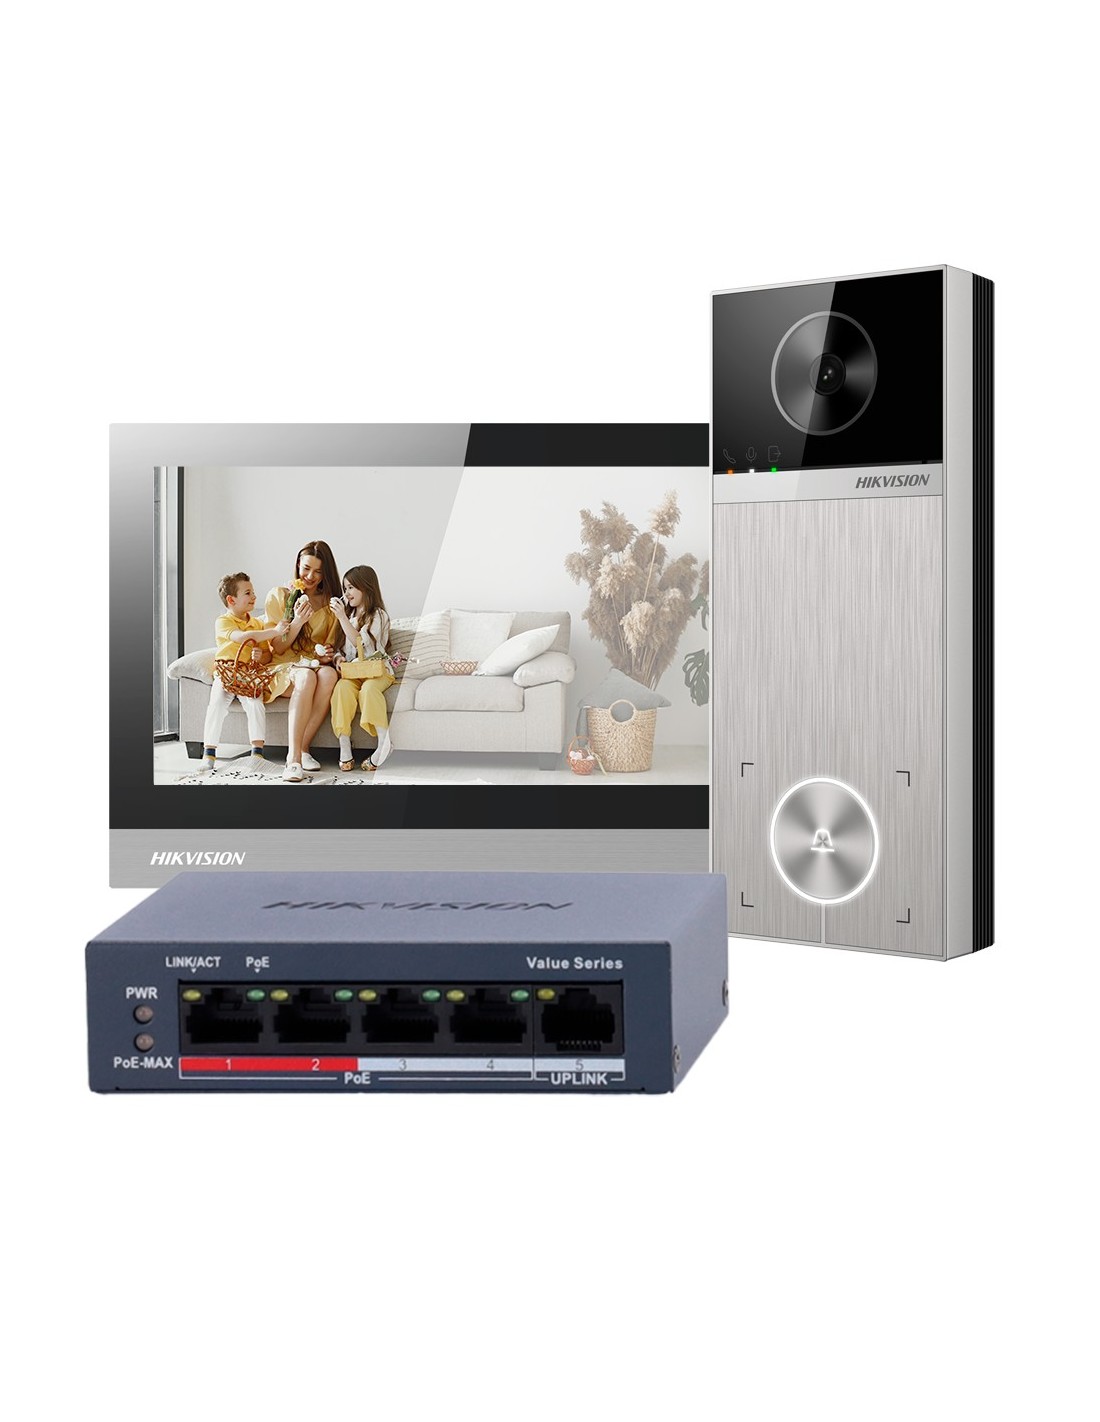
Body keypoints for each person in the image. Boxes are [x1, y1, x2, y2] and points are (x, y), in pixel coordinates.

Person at [264, 541, 342, 782]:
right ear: (298, 564)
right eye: (306, 568)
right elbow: (276, 647)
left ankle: (303, 748)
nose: (310, 576)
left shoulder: (330, 604)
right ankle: (294, 759)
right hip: (282, 666)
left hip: (312, 664)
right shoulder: (280, 596)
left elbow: (325, 649)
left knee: (329, 675)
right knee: (306, 676)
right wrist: (297, 622)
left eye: (318, 572)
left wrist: (326, 655)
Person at [201, 573, 288, 771]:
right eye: (248, 593)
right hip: (226, 674)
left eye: (253, 592)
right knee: (216, 704)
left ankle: (257, 753)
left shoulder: (257, 624)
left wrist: (259, 656)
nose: (254, 596)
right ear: (231, 600)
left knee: (255, 703)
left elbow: (267, 656)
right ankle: (209, 754)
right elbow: (243, 637)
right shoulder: (223, 621)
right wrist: (276, 631)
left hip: (248, 675)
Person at [329, 564, 395, 772]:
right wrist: (338, 659)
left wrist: (341, 618)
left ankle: (384, 743)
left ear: (366, 587)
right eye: (345, 588)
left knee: (368, 690)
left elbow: (364, 646)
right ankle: (344, 744)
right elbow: (340, 648)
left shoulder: (379, 615)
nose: (346, 593)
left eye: (351, 587)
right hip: (354, 673)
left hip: (378, 671)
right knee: (341, 689)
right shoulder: (348, 618)